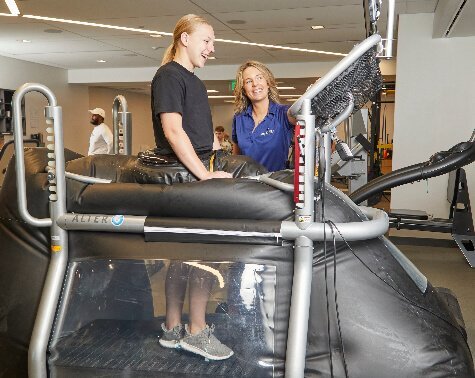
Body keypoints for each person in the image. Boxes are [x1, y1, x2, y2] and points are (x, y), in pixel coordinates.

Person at [151, 14, 233, 361]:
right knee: (203, 256)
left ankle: (172, 327)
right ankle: (196, 331)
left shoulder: (193, 81)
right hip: (187, 178)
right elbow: (172, 131)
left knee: (183, 256)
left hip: (196, 170)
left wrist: (214, 154)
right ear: (184, 38)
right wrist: (203, 174)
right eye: (206, 41)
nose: (211, 49)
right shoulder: (169, 75)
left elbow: (194, 131)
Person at [232, 61, 296, 172]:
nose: (255, 84)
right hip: (245, 185)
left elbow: (304, 113)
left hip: (275, 185)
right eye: (248, 81)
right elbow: (236, 158)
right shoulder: (239, 118)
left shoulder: (283, 113)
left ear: (268, 82)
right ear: (243, 89)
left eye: (259, 78)